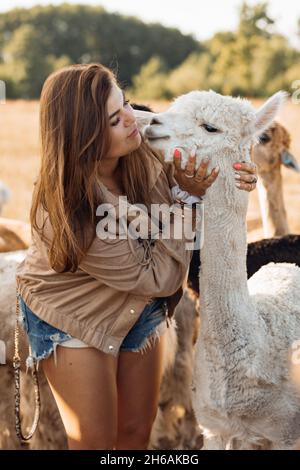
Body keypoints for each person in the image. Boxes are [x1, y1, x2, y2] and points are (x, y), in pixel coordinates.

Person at [16, 63, 258, 450]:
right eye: (115, 119)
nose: (133, 120)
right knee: (95, 443)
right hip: (78, 315)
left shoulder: (137, 139)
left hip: (139, 307)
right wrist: (187, 199)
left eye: (125, 102)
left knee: (134, 436)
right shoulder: (72, 208)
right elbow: (160, 278)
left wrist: (236, 170)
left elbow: (204, 141)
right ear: (86, 137)